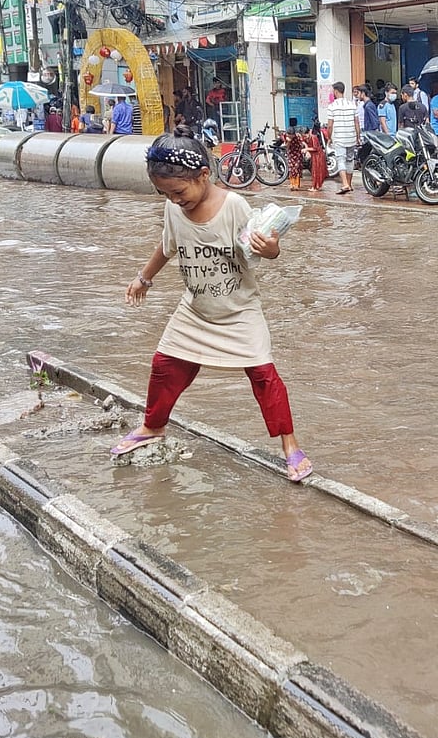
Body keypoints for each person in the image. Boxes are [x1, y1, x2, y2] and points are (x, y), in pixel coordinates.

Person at [110, 126, 313, 484]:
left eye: (178, 192)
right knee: (164, 366)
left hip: (240, 311)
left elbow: (260, 247)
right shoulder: (173, 209)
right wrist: (143, 278)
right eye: (165, 194)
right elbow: (167, 247)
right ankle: (152, 426)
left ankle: (290, 445)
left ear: (204, 175)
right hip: (196, 309)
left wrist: (272, 249)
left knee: (264, 376)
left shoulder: (233, 206)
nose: (174, 200)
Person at [324, 81, 360, 195]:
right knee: (350, 160)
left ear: (335, 91)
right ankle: (349, 184)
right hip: (351, 137)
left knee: (341, 160)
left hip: (340, 138)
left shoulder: (332, 106)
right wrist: (358, 136)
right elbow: (357, 122)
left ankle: (345, 184)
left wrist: (329, 137)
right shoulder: (352, 104)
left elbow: (330, 125)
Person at [284, 125, 305, 190]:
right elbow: (286, 147)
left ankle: (296, 185)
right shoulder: (286, 136)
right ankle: (292, 184)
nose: (291, 136)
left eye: (292, 135)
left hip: (298, 154)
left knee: (297, 168)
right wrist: (289, 141)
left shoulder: (298, 136)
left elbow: (302, 144)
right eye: (289, 135)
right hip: (291, 154)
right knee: (291, 169)